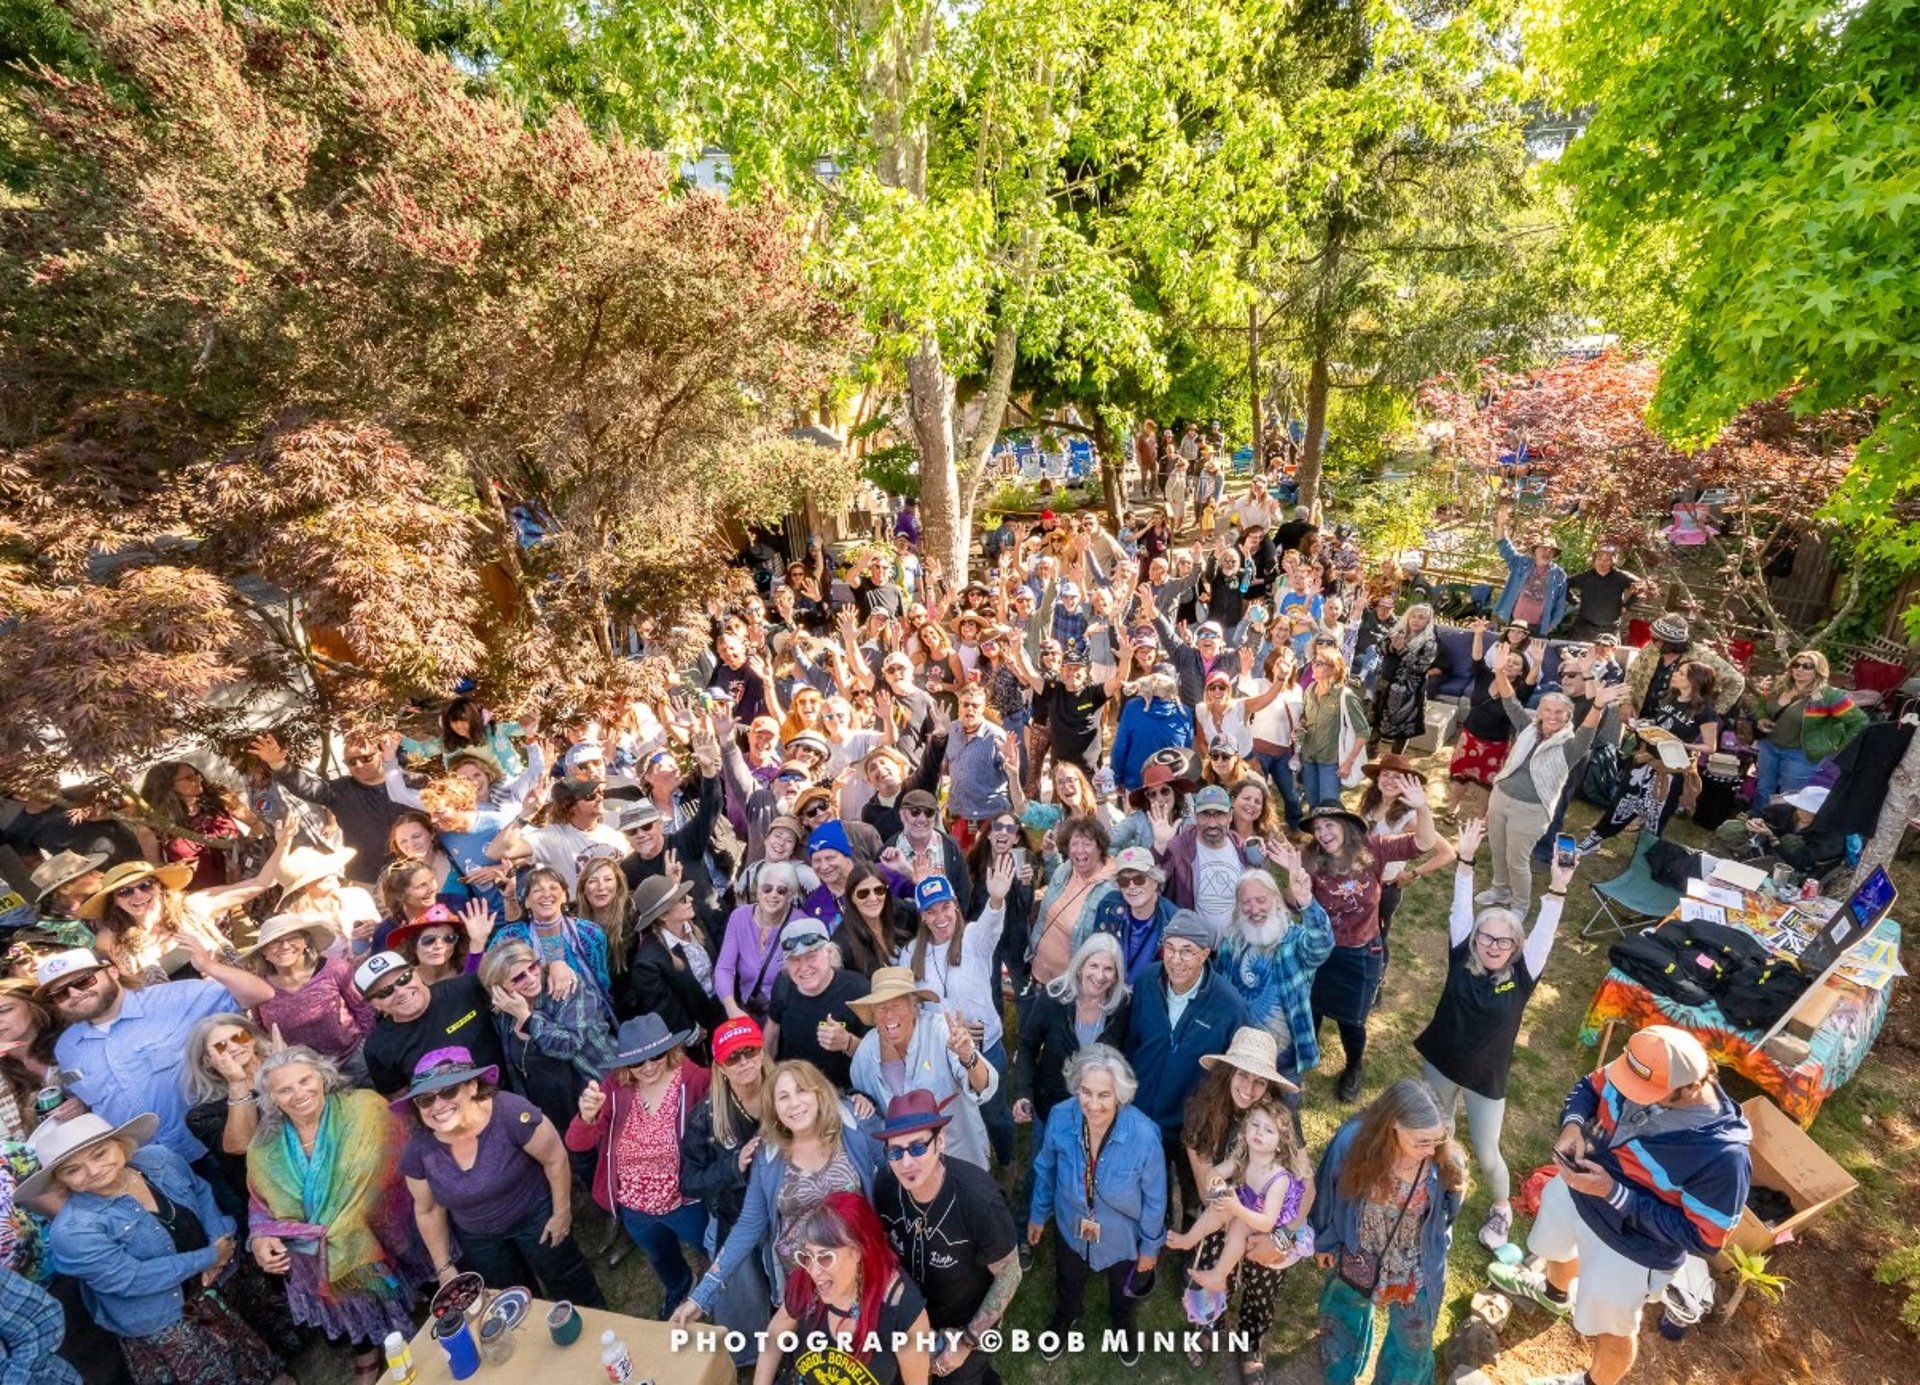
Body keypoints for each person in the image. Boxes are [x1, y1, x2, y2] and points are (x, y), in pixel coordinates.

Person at [1490, 1026, 1753, 1385]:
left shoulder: (1724, 1157)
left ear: (1691, 1086)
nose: (1632, 1096)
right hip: (1578, 1190)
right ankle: (1554, 1294)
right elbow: (1590, 1086)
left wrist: (1615, 1194)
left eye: (1647, 1094)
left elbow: (1705, 1238)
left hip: (1633, 1248)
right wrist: (1572, 1125)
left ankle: (1592, 1382)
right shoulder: (1642, 1068)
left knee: (1615, 1328)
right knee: (1556, 1247)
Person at [25, 1112, 291, 1385]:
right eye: (73, 1170)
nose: (93, 1171)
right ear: (61, 1181)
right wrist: (209, 1257)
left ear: (121, 1144)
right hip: (166, 1313)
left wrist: (218, 1241)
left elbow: (200, 1191)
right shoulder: (72, 1231)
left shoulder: (158, 1159)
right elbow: (131, 1278)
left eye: (99, 1153)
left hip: (220, 1275)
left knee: (272, 1354)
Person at [1414, 820, 1572, 1251]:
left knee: (1487, 1153)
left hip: (1486, 1077)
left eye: (1504, 940)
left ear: (1517, 946)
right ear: (1475, 938)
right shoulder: (1460, 952)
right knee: (1432, 1132)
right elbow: (1459, 907)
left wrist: (1557, 888)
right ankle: (1425, 1191)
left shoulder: (1523, 974)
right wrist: (1465, 859)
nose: (1493, 945)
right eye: (1486, 936)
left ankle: (1501, 1207)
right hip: (1441, 1060)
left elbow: (1545, 931)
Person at [246, 1046, 430, 1379]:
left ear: (323, 1076)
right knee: (328, 1258)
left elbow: (402, 1155)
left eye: (305, 1080)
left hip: (380, 1227)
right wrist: (260, 1236)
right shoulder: (264, 1145)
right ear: (271, 1099)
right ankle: (367, 1349)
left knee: (354, 1238)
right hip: (316, 1253)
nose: (299, 1093)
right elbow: (259, 1201)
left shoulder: (365, 1108)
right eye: (284, 1089)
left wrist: (350, 1215)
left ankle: (423, 1328)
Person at [673, 1060, 884, 1326]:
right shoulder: (769, 1156)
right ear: (773, 1109)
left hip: (859, 1261)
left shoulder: (853, 1125)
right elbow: (748, 1227)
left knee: (870, 1336)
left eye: (802, 1091)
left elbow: (894, 1173)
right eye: (783, 1097)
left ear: (819, 1092)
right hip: (805, 1275)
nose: (794, 1103)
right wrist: (701, 1296)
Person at [397, 1047, 606, 1306]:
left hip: (535, 1216)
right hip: (478, 1238)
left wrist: (561, 1212)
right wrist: (444, 1268)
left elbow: (555, 1158)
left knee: (569, 1281)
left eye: (449, 1091)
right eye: (425, 1099)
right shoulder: (418, 1151)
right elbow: (428, 1210)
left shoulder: (511, 1113)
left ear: (472, 1086)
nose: (438, 1106)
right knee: (511, 1301)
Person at [36, 945, 276, 1164]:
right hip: (146, 1165)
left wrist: (210, 967)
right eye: (60, 994)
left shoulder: (179, 997)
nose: (75, 994)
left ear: (112, 972)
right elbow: (80, 1095)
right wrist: (78, 1105)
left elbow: (259, 994)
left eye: (84, 981)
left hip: (215, 1148)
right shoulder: (66, 1048)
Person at [1310, 1079, 1467, 1385]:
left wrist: (1439, 1241)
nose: (1431, 1150)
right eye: (1421, 1141)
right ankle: (1340, 1373)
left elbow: (1450, 1208)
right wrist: (1325, 1243)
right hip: (1358, 1252)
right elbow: (1328, 1194)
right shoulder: (1351, 1144)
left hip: (1415, 1265)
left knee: (1413, 1345)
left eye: (1437, 1139)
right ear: (1393, 1125)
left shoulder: (1446, 1158)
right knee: (1343, 1318)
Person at [1301, 779, 1440, 1104]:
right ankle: (1307, 1053)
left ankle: (1353, 1067)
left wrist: (1421, 806)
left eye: (1329, 824)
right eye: (1317, 827)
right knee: (1314, 1008)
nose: (1322, 833)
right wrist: (1296, 889)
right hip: (1322, 950)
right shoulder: (1308, 859)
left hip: (1362, 952)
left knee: (1353, 1020)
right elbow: (1298, 905)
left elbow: (1424, 842)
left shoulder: (1373, 848)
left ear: (1346, 826)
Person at [1027, 1044, 1166, 1367]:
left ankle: (1123, 1321)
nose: (1092, 1104)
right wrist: (1037, 1214)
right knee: (1068, 1277)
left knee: (1123, 1288)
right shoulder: (1061, 1116)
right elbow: (1045, 1168)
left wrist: (1150, 1247)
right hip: (1070, 1224)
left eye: (1104, 1095)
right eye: (1085, 1092)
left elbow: (1156, 1198)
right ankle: (1067, 1314)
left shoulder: (1145, 1136)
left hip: (1122, 1237)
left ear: (1120, 1094)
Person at [871, 1091, 1023, 1385]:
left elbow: (1009, 1274)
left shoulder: (980, 1200)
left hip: (963, 1324)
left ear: (940, 1143)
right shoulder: (886, 1186)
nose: (906, 1162)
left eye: (917, 1148)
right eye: (895, 1151)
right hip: (910, 1320)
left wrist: (966, 1344)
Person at [564, 1015, 712, 1317]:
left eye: (656, 1056)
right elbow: (577, 1143)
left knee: (709, 1246)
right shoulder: (615, 1089)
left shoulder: (697, 1081)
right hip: (635, 1206)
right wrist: (587, 1117)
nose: (647, 1067)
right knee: (660, 1256)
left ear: (671, 1050)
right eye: (637, 1062)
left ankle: (717, 1293)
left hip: (684, 1200)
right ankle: (680, 1287)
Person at [1124, 910, 1248, 1214]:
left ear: (1205, 954)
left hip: (1192, 1123)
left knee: (1196, 1196)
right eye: (1170, 948)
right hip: (1143, 1115)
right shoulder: (1144, 983)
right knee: (1149, 1187)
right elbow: (1130, 1042)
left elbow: (1235, 1072)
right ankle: (1154, 1241)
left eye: (1187, 951)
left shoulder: (1230, 1005)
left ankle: (1193, 1252)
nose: (1176, 960)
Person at [752, 1191, 933, 1385]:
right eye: (807, 1256)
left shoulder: (900, 1306)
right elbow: (776, 1332)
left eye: (825, 1257)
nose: (814, 1271)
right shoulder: (805, 1282)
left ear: (857, 1252)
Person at [677, 1017, 774, 1356]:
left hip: (786, 1212)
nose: (745, 1062)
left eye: (750, 1052)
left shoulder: (786, 1093)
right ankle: (751, 1356)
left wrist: (859, 1098)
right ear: (720, 1066)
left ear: (762, 1053)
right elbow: (689, 1182)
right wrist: (733, 1166)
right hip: (736, 1217)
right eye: (734, 1057)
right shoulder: (705, 1116)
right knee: (744, 1297)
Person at [1484, 677, 1619, 912]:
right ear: (1539, 712)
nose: (1553, 716)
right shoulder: (1528, 729)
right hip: (1501, 797)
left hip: (1531, 809)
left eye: (1559, 712)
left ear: (1568, 717)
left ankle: (1520, 905)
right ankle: (1500, 889)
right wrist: (1498, 670)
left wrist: (1597, 706)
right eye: (1547, 710)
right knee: (1497, 848)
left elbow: (1587, 731)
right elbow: (1510, 701)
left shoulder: (1571, 746)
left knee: (1517, 861)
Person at [848, 967, 998, 1171]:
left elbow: (984, 1087)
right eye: (881, 1008)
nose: (889, 1015)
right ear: (873, 1013)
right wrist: (858, 1098)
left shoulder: (941, 1032)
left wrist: (968, 1057)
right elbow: (867, 1109)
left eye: (896, 1005)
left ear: (914, 1007)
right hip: (907, 1166)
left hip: (958, 1155)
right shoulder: (865, 1054)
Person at [1215, 847, 1334, 1093]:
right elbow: (1220, 991)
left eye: (1261, 900)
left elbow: (1321, 944)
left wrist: (1307, 903)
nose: (1254, 909)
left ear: (1277, 900)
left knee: (1281, 1120)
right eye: (1246, 902)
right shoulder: (1231, 942)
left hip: (1283, 1057)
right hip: (1239, 1051)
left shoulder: (1294, 940)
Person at [1166, 1097, 1310, 1295]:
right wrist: (1217, 1186)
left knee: (1239, 1228)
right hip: (1244, 1206)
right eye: (1255, 1125)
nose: (1259, 1132)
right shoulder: (1242, 1157)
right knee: (1219, 1208)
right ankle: (1190, 1239)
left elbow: (1267, 1223)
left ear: (1279, 1143)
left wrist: (1237, 1209)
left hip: (1266, 1223)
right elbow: (1214, 1173)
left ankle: (1219, 1275)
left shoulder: (1278, 1179)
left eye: (1268, 1130)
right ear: (1245, 1128)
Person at [479, 938, 619, 1138]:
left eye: (533, 967)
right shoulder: (503, 1013)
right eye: (518, 978)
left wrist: (526, 1017)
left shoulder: (566, 987)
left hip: (595, 1092)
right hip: (551, 1111)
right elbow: (516, 1069)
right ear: (499, 988)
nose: (530, 978)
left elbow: (570, 1045)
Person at [354, 950, 503, 1097]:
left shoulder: (466, 989)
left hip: (506, 1096)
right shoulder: (378, 1047)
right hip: (448, 1116)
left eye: (404, 978)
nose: (400, 992)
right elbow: (402, 1100)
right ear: (373, 1004)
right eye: (384, 992)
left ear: (416, 972)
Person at [240, 913, 374, 1066]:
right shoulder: (258, 986)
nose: (285, 946)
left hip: (354, 1059)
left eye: (293, 938)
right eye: (274, 942)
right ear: (264, 951)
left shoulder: (334, 969)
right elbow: (260, 1029)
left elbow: (363, 1009)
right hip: (302, 1070)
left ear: (306, 942)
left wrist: (371, 1049)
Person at [180, 1013, 273, 1217]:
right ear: (207, 1062)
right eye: (221, 1047)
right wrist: (237, 1083)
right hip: (269, 1203)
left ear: (253, 1039)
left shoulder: (286, 1073)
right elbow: (242, 1145)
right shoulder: (203, 1115)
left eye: (239, 1038)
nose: (232, 1047)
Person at [615, 873, 726, 1041]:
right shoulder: (647, 962)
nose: (690, 899)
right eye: (682, 899)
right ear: (663, 915)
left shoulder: (697, 925)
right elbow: (664, 1007)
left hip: (723, 1013)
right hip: (700, 1035)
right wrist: (690, 1031)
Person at [1746, 650, 1867, 802]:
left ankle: (1778, 825)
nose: (1799, 669)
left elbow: (1860, 722)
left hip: (1801, 755)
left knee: (1788, 797)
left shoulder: (1830, 696)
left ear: (1819, 670)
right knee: (1763, 788)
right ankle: (1755, 821)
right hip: (1769, 747)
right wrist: (1761, 718)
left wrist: (1836, 747)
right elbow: (1760, 706)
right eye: (1796, 664)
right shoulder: (1780, 687)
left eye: (1807, 666)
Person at [1150, 784, 1265, 942]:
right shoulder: (1179, 847)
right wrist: (1160, 846)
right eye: (1205, 815)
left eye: (1219, 814)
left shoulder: (1242, 849)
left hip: (1238, 948)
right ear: (1195, 816)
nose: (1212, 823)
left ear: (1230, 815)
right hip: (1193, 951)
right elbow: (1151, 885)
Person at [764, 917, 870, 1088]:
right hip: (798, 1090)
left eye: (811, 957)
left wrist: (847, 1042)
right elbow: (772, 1031)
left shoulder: (858, 989)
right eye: (795, 960)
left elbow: (879, 1056)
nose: (804, 967)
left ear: (829, 953)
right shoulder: (783, 984)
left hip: (845, 1092)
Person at [1026, 817, 1117, 989]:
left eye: (1087, 844)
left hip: (1070, 984)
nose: (1079, 850)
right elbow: (1055, 881)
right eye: (1074, 844)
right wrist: (1050, 854)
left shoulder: (1111, 891)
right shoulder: (1066, 869)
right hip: (1039, 971)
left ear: (1100, 848)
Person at [716, 860, 803, 1023]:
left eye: (781, 890)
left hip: (785, 1013)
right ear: (758, 890)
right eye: (767, 888)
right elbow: (724, 968)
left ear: (790, 895)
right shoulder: (739, 917)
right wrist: (731, 1008)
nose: (773, 894)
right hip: (748, 1010)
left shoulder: (800, 923)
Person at [1297, 649, 1369, 807]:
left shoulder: (1346, 696)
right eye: (1314, 662)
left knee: (1329, 805)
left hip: (1331, 762)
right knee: (1313, 802)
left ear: (1333, 668)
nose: (1313, 666)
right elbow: (1304, 717)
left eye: (1319, 664)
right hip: (1309, 757)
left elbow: (1363, 732)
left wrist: (1348, 762)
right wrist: (1299, 726)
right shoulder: (1310, 690)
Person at [1365, 605, 1438, 756]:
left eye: (1421, 617)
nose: (1416, 620)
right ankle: (1371, 750)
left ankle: (1396, 758)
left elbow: (1421, 667)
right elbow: (1378, 649)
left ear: (1428, 622)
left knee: (1404, 727)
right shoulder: (1397, 632)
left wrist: (1403, 650)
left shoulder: (1429, 642)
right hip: (1385, 685)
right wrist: (1391, 645)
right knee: (1377, 719)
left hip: (1408, 693)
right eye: (1413, 616)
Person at [1492, 505, 1569, 634]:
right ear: (1535, 551)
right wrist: (1500, 524)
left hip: (1538, 627)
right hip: (1515, 622)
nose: (1547, 552)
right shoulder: (1521, 563)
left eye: (1551, 550)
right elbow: (1503, 546)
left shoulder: (1559, 574)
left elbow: (1560, 603)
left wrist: (1553, 625)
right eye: (1544, 548)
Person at [1565, 542, 1645, 641]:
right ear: (1594, 561)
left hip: (1610, 627)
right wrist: (1575, 601)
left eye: (1606, 560)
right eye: (1599, 559)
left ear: (1612, 562)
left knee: (1608, 655)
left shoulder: (1620, 577)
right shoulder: (1585, 577)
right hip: (1585, 627)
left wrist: (1627, 605)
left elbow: (1642, 586)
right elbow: (1564, 585)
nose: (1602, 563)